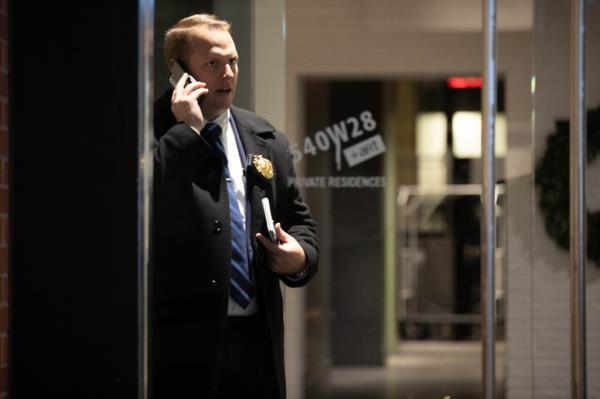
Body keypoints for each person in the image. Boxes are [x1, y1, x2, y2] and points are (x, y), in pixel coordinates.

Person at [151, 13, 319, 399]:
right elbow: (149, 199)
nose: (227, 73)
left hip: (254, 341)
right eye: (213, 64)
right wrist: (187, 132)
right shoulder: (152, 132)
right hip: (181, 346)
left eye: (233, 61)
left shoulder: (265, 138)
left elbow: (301, 223)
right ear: (179, 72)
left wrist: (299, 258)